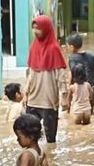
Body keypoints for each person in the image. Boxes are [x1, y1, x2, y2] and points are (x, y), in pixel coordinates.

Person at [25, 15, 68, 143]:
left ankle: (50, 161)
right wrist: (25, 95)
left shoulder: (54, 49)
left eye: (38, 28)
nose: (35, 32)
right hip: (32, 100)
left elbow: (61, 76)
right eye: (33, 28)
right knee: (30, 137)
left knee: (51, 141)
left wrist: (64, 97)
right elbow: (30, 73)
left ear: (46, 29)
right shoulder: (33, 47)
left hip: (49, 102)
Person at [66, 33, 94, 115]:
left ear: (72, 47)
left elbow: (72, 73)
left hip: (80, 89)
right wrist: (92, 72)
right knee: (90, 111)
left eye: (68, 46)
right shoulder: (90, 54)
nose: (67, 48)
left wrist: (69, 87)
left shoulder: (72, 58)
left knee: (77, 111)